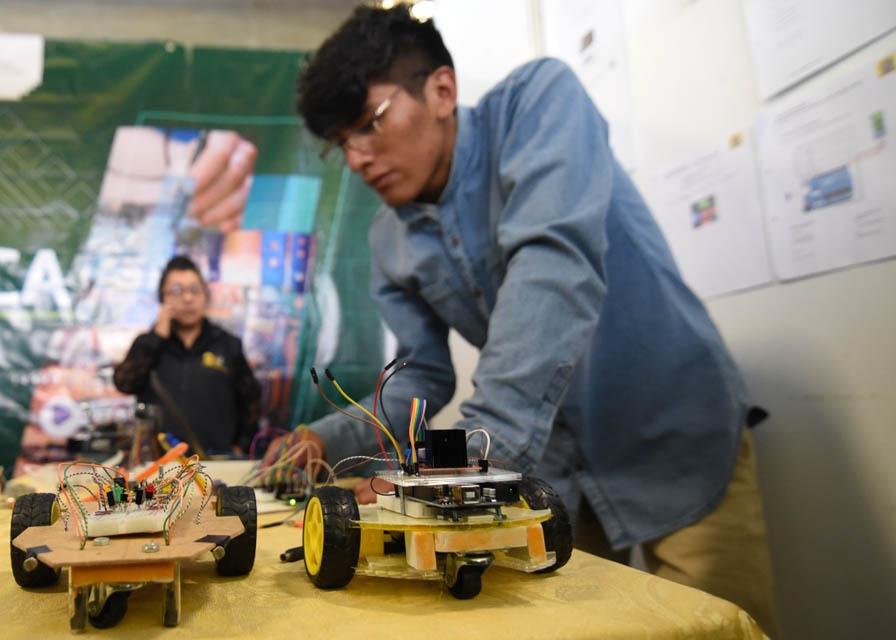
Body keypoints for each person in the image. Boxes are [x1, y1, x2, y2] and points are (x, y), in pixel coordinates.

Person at [260, 4, 780, 634]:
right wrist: (327, 437)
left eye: (369, 123)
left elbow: (553, 266)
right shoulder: (386, 242)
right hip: (554, 473)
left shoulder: (540, 102)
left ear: (442, 90)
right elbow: (421, 377)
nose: (358, 158)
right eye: (341, 144)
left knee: (715, 626)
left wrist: (462, 470)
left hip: (674, 432)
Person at [113, 256, 262, 455]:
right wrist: (156, 338)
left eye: (194, 290)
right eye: (176, 291)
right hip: (158, 463)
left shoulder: (227, 344)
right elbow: (124, 383)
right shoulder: (147, 344)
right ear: (162, 299)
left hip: (215, 463)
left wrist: (239, 446)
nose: (187, 298)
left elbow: (251, 400)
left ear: (205, 296)